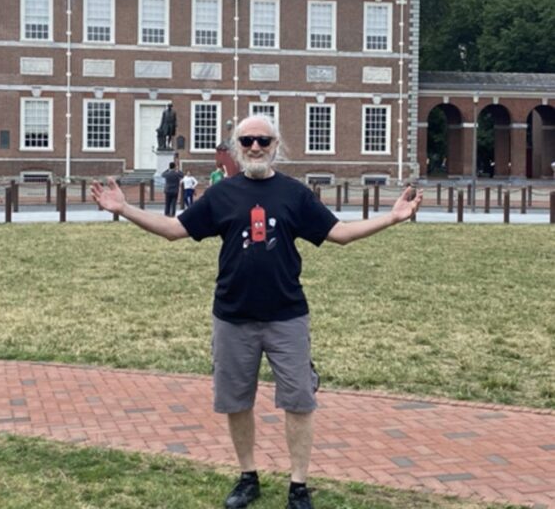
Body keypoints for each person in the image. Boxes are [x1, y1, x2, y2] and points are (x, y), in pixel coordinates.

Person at [92, 114, 422, 509]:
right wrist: (124, 209)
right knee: (236, 400)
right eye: (246, 140)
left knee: (299, 400)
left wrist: (392, 217)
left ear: (276, 145)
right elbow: (173, 229)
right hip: (233, 315)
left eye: (263, 141)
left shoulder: (294, 194)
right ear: (236, 147)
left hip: (287, 315)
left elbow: (340, 234)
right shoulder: (222, 194)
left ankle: (298, 485)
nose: (254, 147)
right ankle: (248, 477)